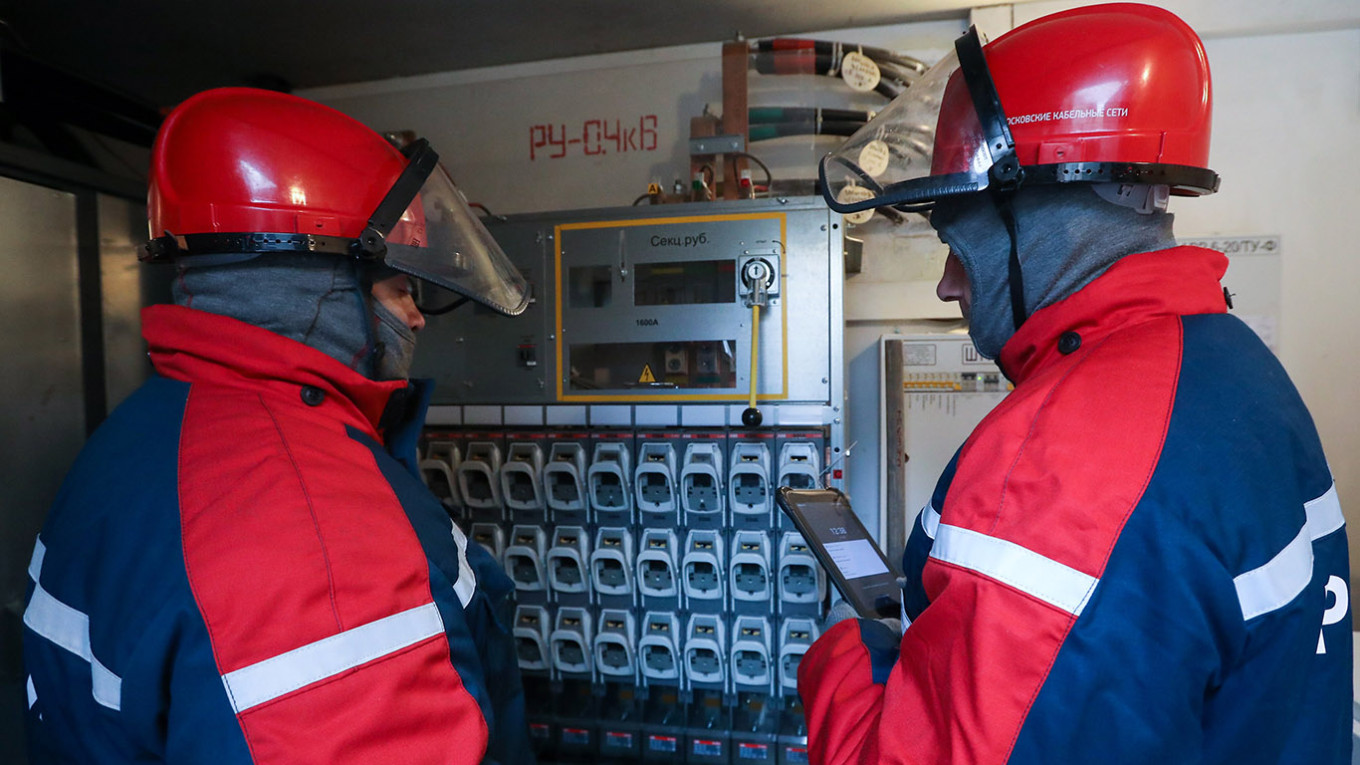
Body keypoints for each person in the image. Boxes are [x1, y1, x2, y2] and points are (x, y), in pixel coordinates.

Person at [810, 4, 1350, 763]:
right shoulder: (1237, 367)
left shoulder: (1057, 465)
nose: (947, 285)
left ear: (1036, 225)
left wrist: (842, 651)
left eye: (958, 245)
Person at [22, 87, 535, 764]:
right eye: (399, 287)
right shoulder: (320, 542)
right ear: (314, 286)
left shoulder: (135, 435)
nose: (415, 317)